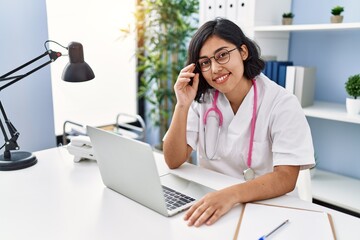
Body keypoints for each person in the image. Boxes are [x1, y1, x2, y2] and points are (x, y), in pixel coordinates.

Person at [162, 18, 315, 227]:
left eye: (222, 55)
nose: (215, 68)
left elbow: (286, 178)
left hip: (267, 208)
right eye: (205, 62)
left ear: (243, 52)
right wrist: (182, 105)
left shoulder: (281, 103)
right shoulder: (202, 101)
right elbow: (173, 159)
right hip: (214, 204)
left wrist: (230, 195)